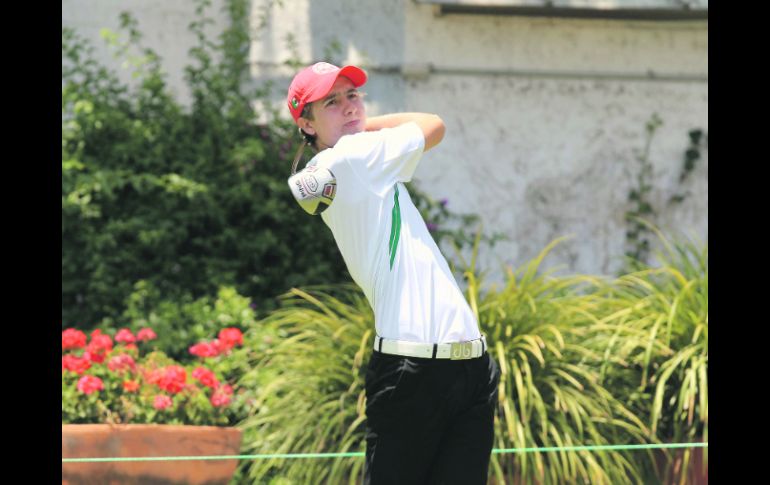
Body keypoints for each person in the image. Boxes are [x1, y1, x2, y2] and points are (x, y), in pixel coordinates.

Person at [286, 61, 501, 485]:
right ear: (306, 124)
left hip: (468, 366)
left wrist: (350, 124)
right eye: (332, 103)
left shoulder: (353, 160)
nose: (350, 107)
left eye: (353, 96)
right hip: (413, 369)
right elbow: (433, 124)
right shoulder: (352, 157)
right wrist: (363, 127)